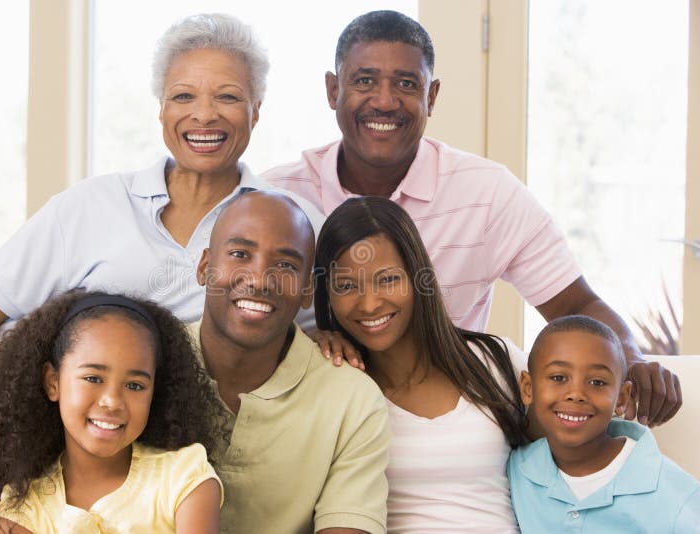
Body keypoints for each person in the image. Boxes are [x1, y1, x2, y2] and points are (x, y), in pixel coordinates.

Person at [0, 13, 325, 465]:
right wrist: (45, 395)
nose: (204, 114)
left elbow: (329, 336)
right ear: (161, 110)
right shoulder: (93, 204)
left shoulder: (292, 225)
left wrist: (336, 342)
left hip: (118, 434)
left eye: (228, 97)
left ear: (256, 110)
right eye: (183, 96)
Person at [262, 9, 680, 426]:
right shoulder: (277, 196)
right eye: (364, 80)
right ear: (333, 90)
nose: (385, 101)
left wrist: (635, 358)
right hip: (320, 420)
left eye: (406, 84)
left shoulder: (486, 193)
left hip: (444, 425)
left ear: (432, 96)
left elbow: (579, 303)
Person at [314, 196, 527, 532]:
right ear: (326, 292)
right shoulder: (334, 386)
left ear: (417, 276)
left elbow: (578, 449)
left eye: (387, 280)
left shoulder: (496, 360)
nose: (369, 304)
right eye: (346, 286)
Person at [192, 190, 390, 533]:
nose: (258, 280)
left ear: (307, 290)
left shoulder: (352, 399)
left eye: (285, 265)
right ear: (205, 267)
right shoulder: (147, 367)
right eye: (240, 254)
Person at [0, 291, 224, 533]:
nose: (112, 401)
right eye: (93, 378)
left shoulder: (184, 477)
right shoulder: (24, 507)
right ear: (53, 382)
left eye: (135, 386)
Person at [508, 315, 700, 532]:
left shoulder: (678, 497)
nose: (576, 394)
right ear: (528, 388)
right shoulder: (514, 472)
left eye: (597, 382)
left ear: (621, 398)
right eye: (559, 377)